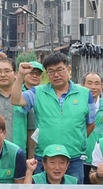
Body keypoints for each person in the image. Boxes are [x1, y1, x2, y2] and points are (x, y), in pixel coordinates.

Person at [21, 53, 94, 182]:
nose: (56, 75)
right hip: (45, 157)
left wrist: (75, 138)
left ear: (69, 69)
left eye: (60, 70)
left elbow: (91, 123)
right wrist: (21, 75)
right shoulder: (37, 92)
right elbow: (16, 100)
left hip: (74, 157)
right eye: (51, 71)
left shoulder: (85, 93)